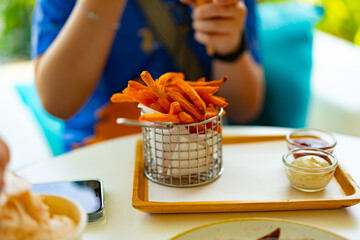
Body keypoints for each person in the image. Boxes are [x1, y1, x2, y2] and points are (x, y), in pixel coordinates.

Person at [31, 0, 264, 152]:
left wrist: (230, 47)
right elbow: (57, 103)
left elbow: (245, 109)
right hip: (99, 153)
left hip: (200, 151)